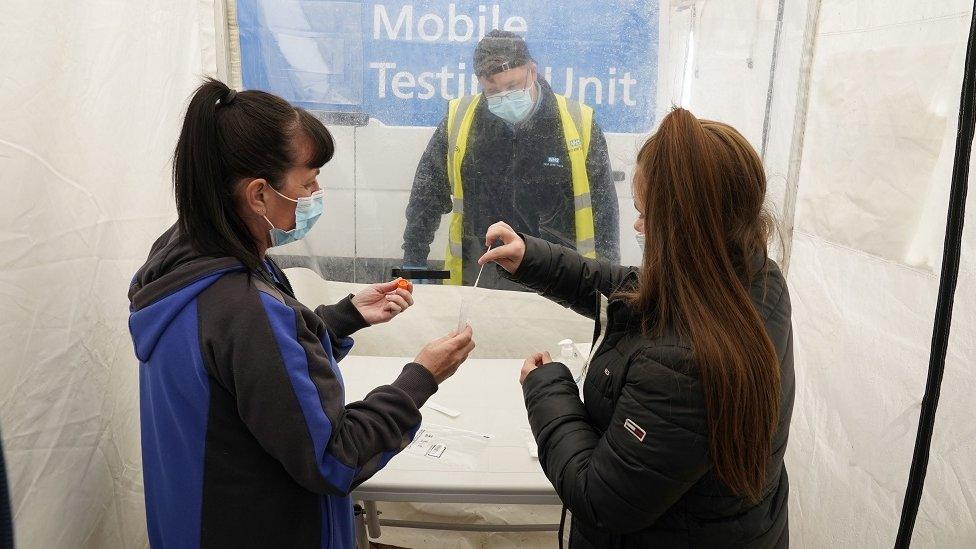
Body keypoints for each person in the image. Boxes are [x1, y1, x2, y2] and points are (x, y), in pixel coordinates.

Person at [127, 79, 475, 549]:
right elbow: (334, 457)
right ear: (258, 195)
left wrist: (342, 317)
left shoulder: (185, 262)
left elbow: (252, 373)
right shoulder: (244, 307)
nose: (316, 192)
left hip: (196, 519)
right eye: (307, 180)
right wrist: (420, 377)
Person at [480, 109, 794, 547]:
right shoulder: (752, 280)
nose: (638, 225)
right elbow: (630, 289)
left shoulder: (683, 367)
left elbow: (600, 500)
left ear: (688, 229)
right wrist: (531, 258)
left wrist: (546, 387)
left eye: (648, 215)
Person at [402, 30, 620, 289]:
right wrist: (414, 261)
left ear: (532, 70)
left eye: (513, 86)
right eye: (493, 90)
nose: (504, 96)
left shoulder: (576, 123)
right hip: (480, 278)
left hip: (559, 281)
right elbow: (426, 196)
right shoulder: (460, 121)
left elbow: (604, 211)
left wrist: (609, 282)